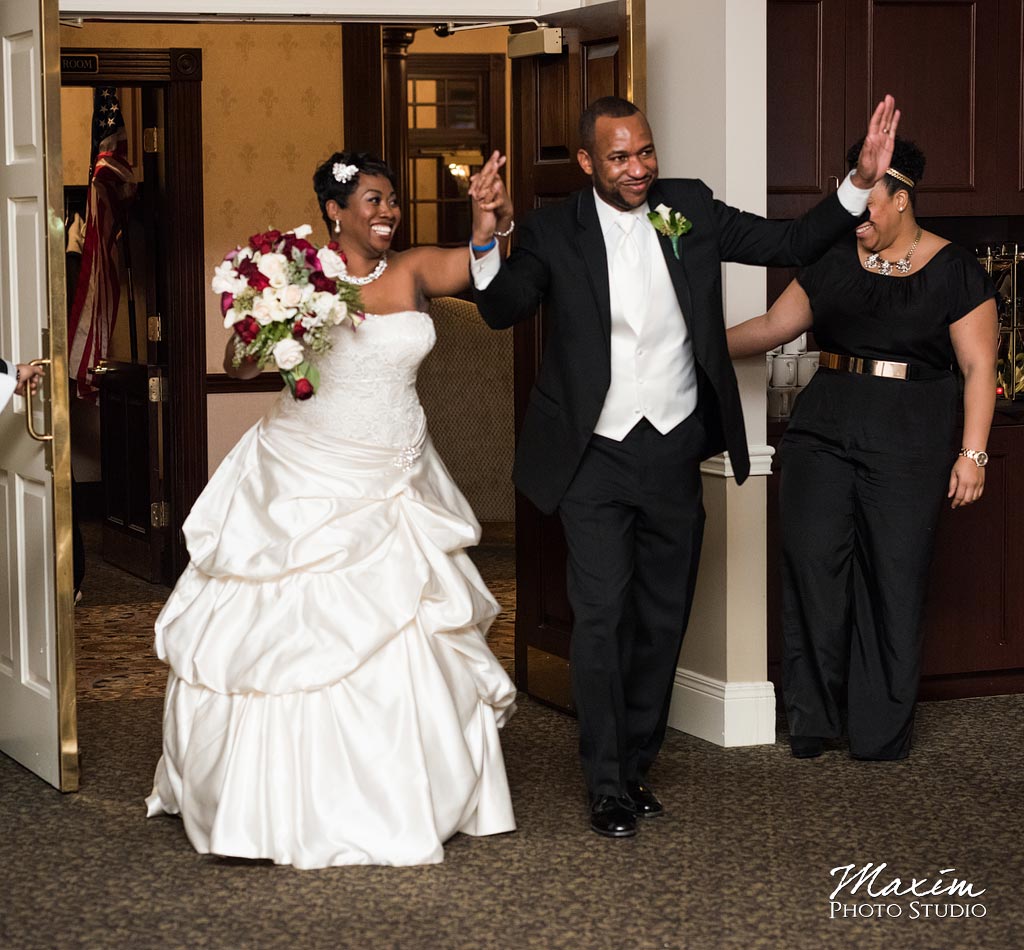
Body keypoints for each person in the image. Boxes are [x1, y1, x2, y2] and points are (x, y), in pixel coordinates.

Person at [467, 94, 900, 838]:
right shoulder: (553, 230)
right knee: (601, 617)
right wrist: (485, 236)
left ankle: (635, 763)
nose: (638, 169)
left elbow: (790, 239)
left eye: (645, 153)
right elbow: (503, 308)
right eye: (619, 158)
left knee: (662, 618)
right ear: (586, 162)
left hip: (672, 447)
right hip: (592, 456)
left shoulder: (688, 206)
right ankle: (604, 782)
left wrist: (858, 182)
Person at [145, 151, 517, 868]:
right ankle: (276, 803)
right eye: (373, 200)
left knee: (411, 624)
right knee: (291, 636)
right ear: (334, 212)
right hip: (306, 474)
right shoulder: (295, 275)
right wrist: (270, 321)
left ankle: (405, 791)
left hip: (398, 475)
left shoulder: (409, 272)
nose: (387, 212)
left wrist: (484, 217)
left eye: (393, 201)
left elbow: (475, 268)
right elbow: (241, 366)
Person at [728, 137, 998, 761]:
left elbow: (979, 366)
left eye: (869, 206)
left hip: (911, 438)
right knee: (814, 569)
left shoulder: (955, 269)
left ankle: (878, 732)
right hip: (823, 432)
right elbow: (772, 328)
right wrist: (692, 349)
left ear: (902, 200)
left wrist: (974, 453)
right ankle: (815, 722)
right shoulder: (833, 259)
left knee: (893, 579)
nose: (858, 218)